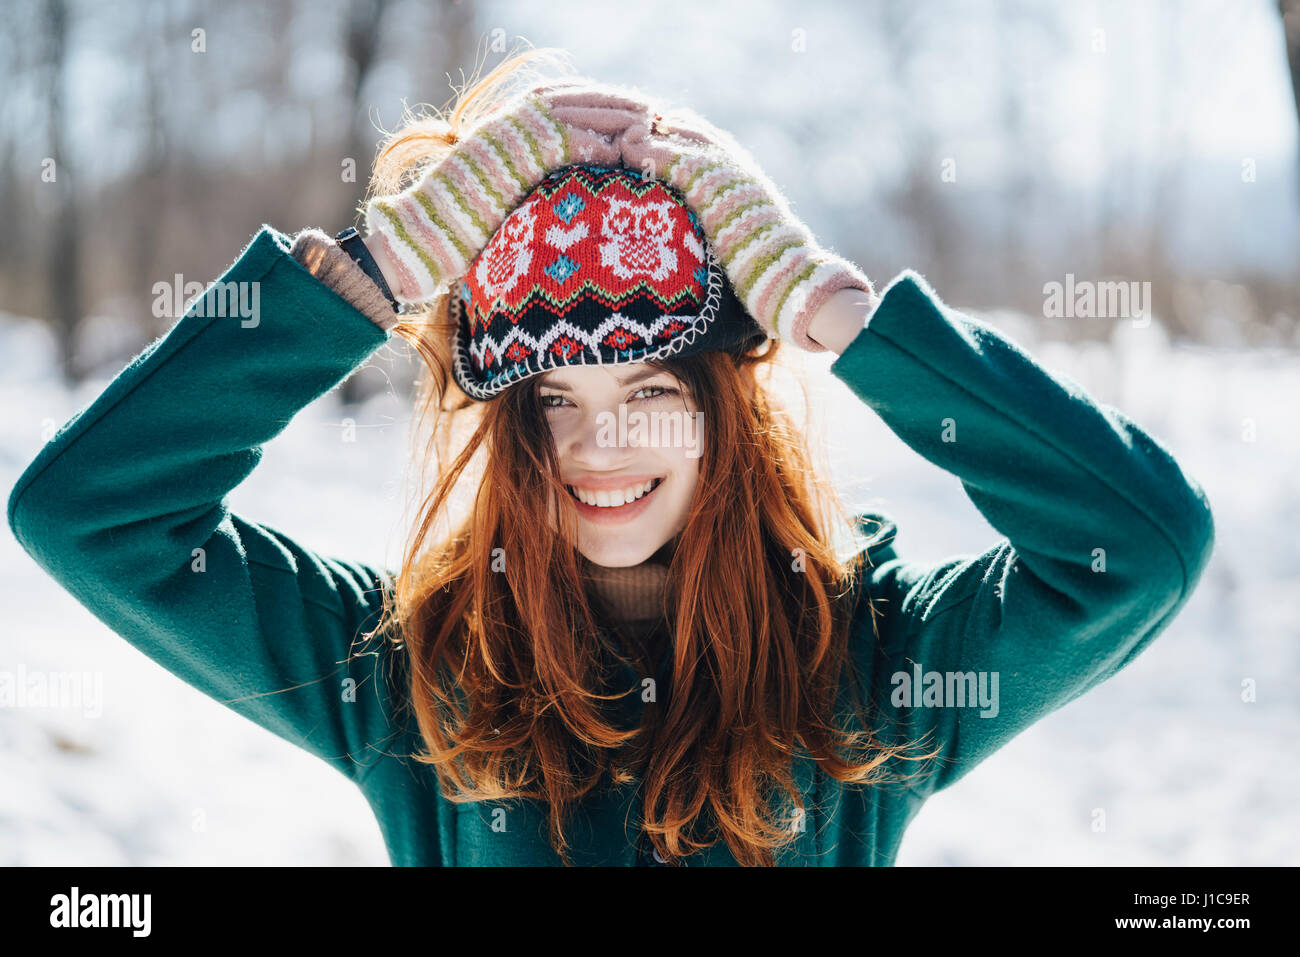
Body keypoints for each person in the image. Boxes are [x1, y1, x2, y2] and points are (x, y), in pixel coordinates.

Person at [7, 48, 1215, 867]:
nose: (602, 443)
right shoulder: (408, 674)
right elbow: (87, 513)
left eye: (648, 388)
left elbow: (1141, 549)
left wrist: (832, 310)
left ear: (726, 410)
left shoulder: (874, 666)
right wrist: (368, 279)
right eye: (548, 400)